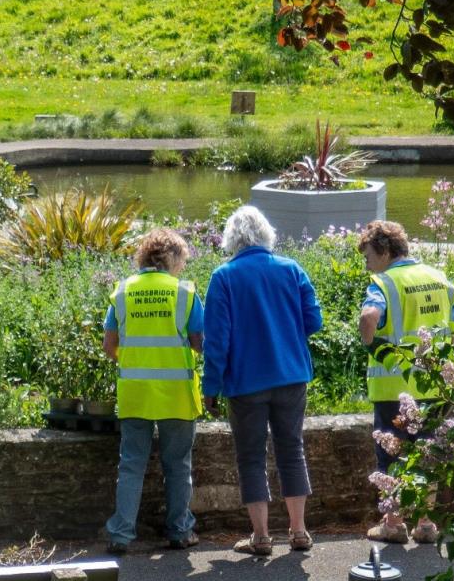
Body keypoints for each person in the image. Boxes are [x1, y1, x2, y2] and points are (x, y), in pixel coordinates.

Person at [202, 206, 322, 557]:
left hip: (246, 381)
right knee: (292, 450)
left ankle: (262, 536)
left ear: (231, 239)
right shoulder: (292, 269)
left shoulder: (223, 277)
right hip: (291, 374)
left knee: (251, 457)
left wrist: (211, 388)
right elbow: (314, 320)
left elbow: (217, 341)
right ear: (267, 233)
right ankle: (299, 530)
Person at [356, 219, 454, 545]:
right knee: (428, 453)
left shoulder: (384, 283)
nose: (367, 263)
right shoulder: (439, 279)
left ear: (385, 250)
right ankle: (426, 524)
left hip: (394, 389)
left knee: (392, 454)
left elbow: (368, 317)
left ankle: (393, 523)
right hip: (435, 387)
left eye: (369, 255)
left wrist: (372, 346)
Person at [102, 228, 204, 555]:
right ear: (170, 257)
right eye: (182, 260)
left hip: (135, 392)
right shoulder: (184, 293)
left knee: (131, 464)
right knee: (178, 465)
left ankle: (120, 534)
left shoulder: (122, 292)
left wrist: (137, 360)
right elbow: (200, 344)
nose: (183, 266)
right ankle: (180, 531)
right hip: (176, 393)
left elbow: (109, 346)